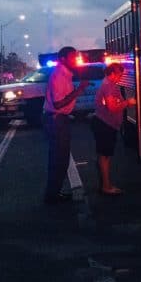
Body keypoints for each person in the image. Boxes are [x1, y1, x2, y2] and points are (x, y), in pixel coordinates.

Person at [43, 46, 89, 204]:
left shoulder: (65, 75)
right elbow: (58, 103)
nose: (76, 60)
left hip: (59, 120)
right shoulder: (59, 76)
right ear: (63, 59)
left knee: (60, 158)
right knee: (59, 159)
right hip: (57, 120)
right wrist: (80, 89)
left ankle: (54, 192)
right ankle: (52, 196)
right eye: (73, 57)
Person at [90, 63, 136, 195]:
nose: (120, 78)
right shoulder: (108, 86)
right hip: (105, 125)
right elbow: (112, 107)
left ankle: (106, 184)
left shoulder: (107, 84)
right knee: (105, 156)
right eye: (119, 75)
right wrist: (128, 102)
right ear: (112, 73)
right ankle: (106, 186)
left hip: (104, 124)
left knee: (104, 155)